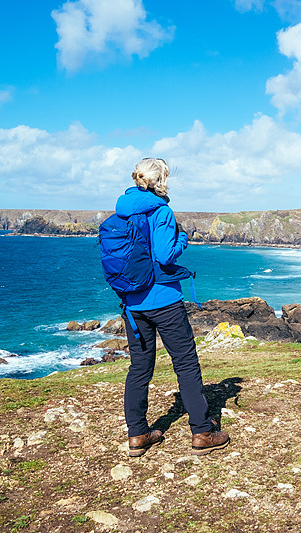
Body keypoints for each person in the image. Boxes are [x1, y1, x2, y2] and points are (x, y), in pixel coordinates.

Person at [115, 157, 230, 457]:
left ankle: (137, 434)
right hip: (163, 300)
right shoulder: (161, 210)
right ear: (160, 180)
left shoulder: (123, 210)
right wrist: (182, 238)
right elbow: (166, 255)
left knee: (139, 367)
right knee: (185, 363)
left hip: (132, 302)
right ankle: (203, 432)